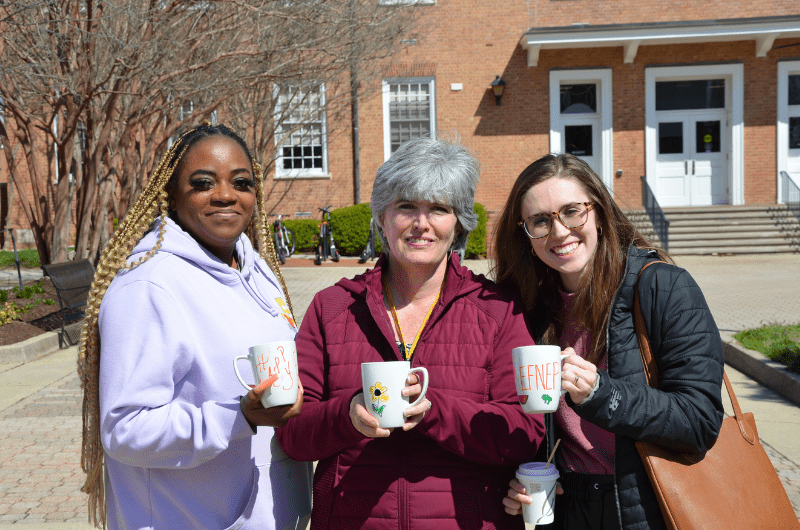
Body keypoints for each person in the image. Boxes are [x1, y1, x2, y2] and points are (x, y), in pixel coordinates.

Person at [275, 136, 545, 529]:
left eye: (438, 208)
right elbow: (293, 434)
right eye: (406, 207)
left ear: (459, 223)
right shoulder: (332, 307)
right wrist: (347, 416)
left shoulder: (497, 310)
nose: (422, 224)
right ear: (382, 218)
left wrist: (437, 411)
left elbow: (525, 433)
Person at [78, 122, 312, 530]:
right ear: (170, 195)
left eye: (241, 182)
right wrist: (238, 416)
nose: (225, 194)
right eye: (203, 183)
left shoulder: (255, 269)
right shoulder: (149, 285)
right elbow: (124, 428)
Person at [495, 153, 725, 530]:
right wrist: (527, 476)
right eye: (539, 221)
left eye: (572, 211)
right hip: (566, 508)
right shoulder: (530, 306)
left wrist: (602, 394)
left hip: (643, 505)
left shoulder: (662, 286)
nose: (559, 232)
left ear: (598, 212)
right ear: (526, 234)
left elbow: (699, 421)